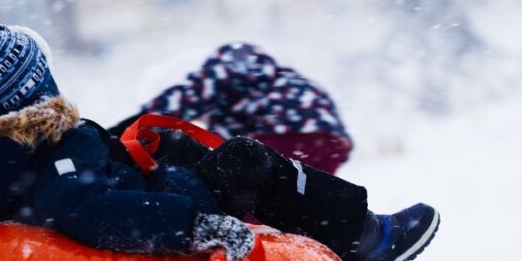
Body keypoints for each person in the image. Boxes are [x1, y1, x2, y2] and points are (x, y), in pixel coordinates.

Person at [0, 26, 439, 261]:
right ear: (34, 86)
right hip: (163, 203)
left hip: (138, 180)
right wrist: (194, 226)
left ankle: (342, 238)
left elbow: (61, 184)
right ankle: (367, 245)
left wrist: (114, 145)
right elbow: (84, 205)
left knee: (173, 143)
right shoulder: (51, 145)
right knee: (247, 162)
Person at [112, 42, 352, 174]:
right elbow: (225, 148)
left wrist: (125, 130)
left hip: (289, 131)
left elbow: (180, 101)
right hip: (331, 141)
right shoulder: (245, 91)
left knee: (259, 198)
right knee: (303, 206)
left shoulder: (221, 66)